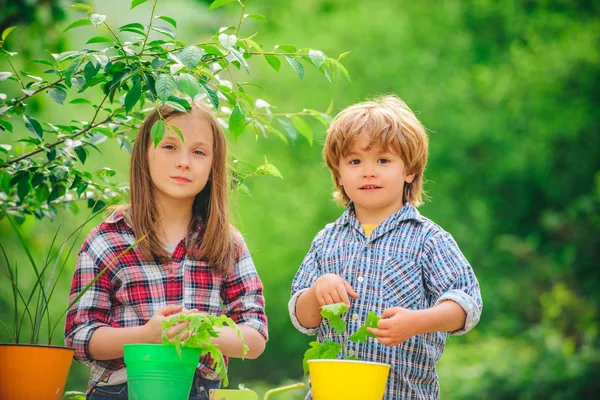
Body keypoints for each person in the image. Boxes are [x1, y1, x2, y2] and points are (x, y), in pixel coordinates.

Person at [65, 102, 268, 400]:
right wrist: (145, 336)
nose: (184, 162)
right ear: (143, 156)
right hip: (120, 390)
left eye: (198, 152)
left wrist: (202, 333)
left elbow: (255, 337)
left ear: (214, 165)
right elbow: (79, 337)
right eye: (169, 146)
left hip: (199, 390)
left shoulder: (226, 242)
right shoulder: (108, 240)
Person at [289, 95, 482, 399]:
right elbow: (302, 317)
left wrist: (418, 322)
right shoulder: (326, 240)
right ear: (339, 174)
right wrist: (317, 291)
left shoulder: (428, 239)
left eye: (383, 160)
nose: (368, 171)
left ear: (410, 171)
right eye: (355, 161)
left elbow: (466, 304)